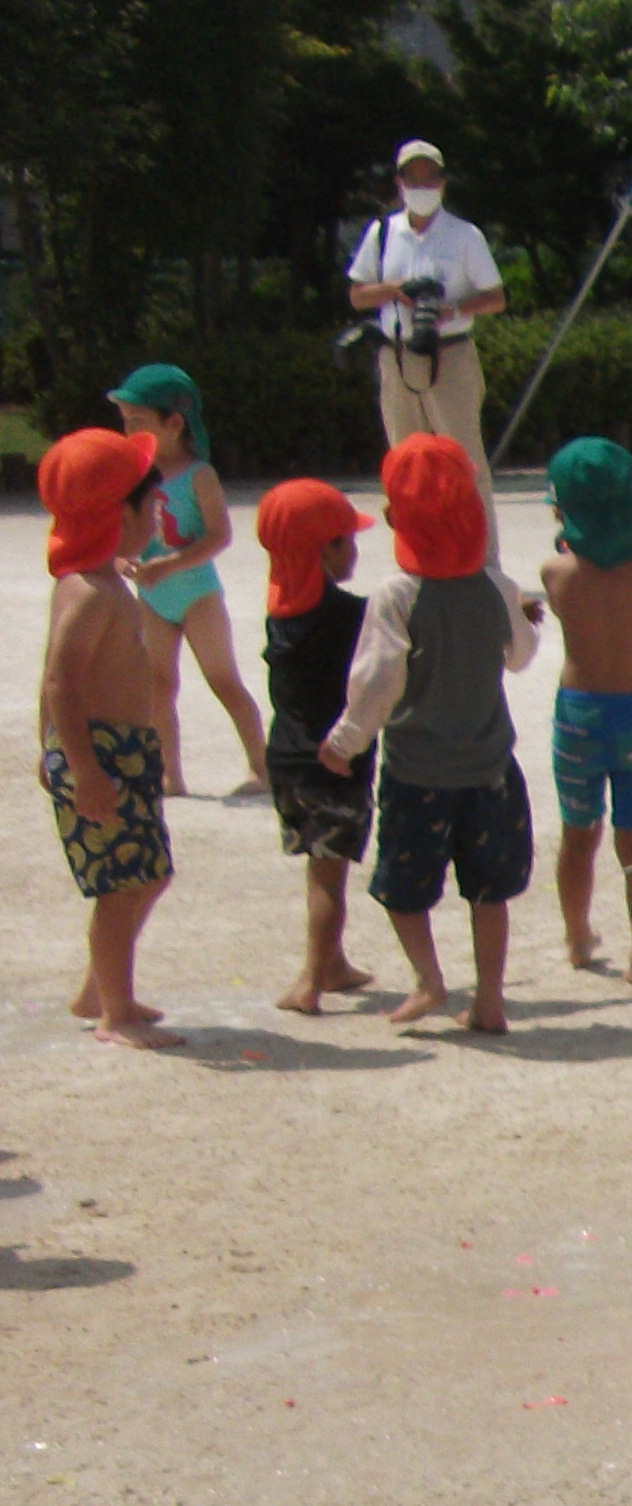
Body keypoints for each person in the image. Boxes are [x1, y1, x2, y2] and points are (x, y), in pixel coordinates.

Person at [323, 435, 542, 1034]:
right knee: (490, 889)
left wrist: (345, 742)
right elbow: (520, 656)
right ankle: (490, 998)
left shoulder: (397, 595)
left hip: (416, 770)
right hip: (491, 766)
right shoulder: (497, 586)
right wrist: (523, 620)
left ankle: (428, 980)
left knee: (403, 887)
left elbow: (378, 680)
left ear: (397, 518)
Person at [35, 428, 183, 1048]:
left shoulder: (99, 580)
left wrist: (48, 745)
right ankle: (114, 1012)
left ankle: (100, 988)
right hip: (99, 754)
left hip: (122, 749)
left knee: (149, 872)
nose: (160, 515)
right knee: (122, 884)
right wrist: (79, 767)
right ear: (121, 516)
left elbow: (53, 682)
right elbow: (59, 682)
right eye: (152, 506)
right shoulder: (91, 595)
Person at [540, 439, 632, 989]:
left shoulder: (555, 572)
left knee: (578, 835)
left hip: (578, 714)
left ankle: (578, 936)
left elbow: (568, 596)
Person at [107, 364, 273, 799]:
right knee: (159, 685)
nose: (129, 431)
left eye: (138, 421)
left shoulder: (199, 474)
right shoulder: (133, 473)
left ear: (174, 423)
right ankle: (170, 774)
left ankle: (262, 767)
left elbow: (219, 535)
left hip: (197, 593)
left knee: (224, 681)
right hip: (152, 595)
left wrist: (169, 565)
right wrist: (123, 560)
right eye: (125, 422)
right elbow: (118, 533)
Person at [254, 478, 379, 1014]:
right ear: (325, 550)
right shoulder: (351, 615)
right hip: (334, 761)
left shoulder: (280, 612)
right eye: (347, 541)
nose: (354, 550)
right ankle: (311, 979)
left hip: (285, 758)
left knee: (317, 863)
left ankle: (334, 962)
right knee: (330, 876)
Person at [345, 142, 507, 488]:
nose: (422, 187)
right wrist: (396, 289)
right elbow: (357, 295)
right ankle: (412, 525)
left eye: (430, 178)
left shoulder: (465, 235)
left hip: (450, 352)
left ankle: (478, 526)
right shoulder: (382, 233)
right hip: (397, 356)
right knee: (405, 460)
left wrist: (455, 309)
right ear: (399, 183)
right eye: (413, 179)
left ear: (443, 182)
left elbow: (495, 298)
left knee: (464, 458)